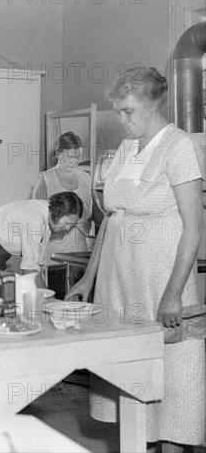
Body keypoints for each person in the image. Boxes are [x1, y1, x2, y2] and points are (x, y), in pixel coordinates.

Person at [66, 67, 205, 452]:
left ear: (152, 104)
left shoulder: (179, 147)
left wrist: (175, 292)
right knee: (127, 375)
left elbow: (193, 228)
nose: (122, 120)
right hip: (118, 277)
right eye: (119, 112)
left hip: (160, 276)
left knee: (171, 376)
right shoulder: (127, 149)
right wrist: (88, 279)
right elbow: (111, 220)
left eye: (128, 111)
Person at [0, 192, 83, 287]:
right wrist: (49, 299)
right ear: (58, 212)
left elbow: (33, 263)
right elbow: (29, 271)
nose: (67, 228)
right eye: (67, 223)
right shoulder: (34, 220)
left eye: (71, 225)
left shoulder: (47, 211)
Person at [32, 131, 103, 254]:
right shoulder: (46, 181)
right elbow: (37, 223)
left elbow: (95, 211)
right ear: (58, 153)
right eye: (70, 157)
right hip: (53, 256)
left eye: (78, 157)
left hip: (81, 252)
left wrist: (110, 223)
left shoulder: (85, 178)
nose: (74, 162)